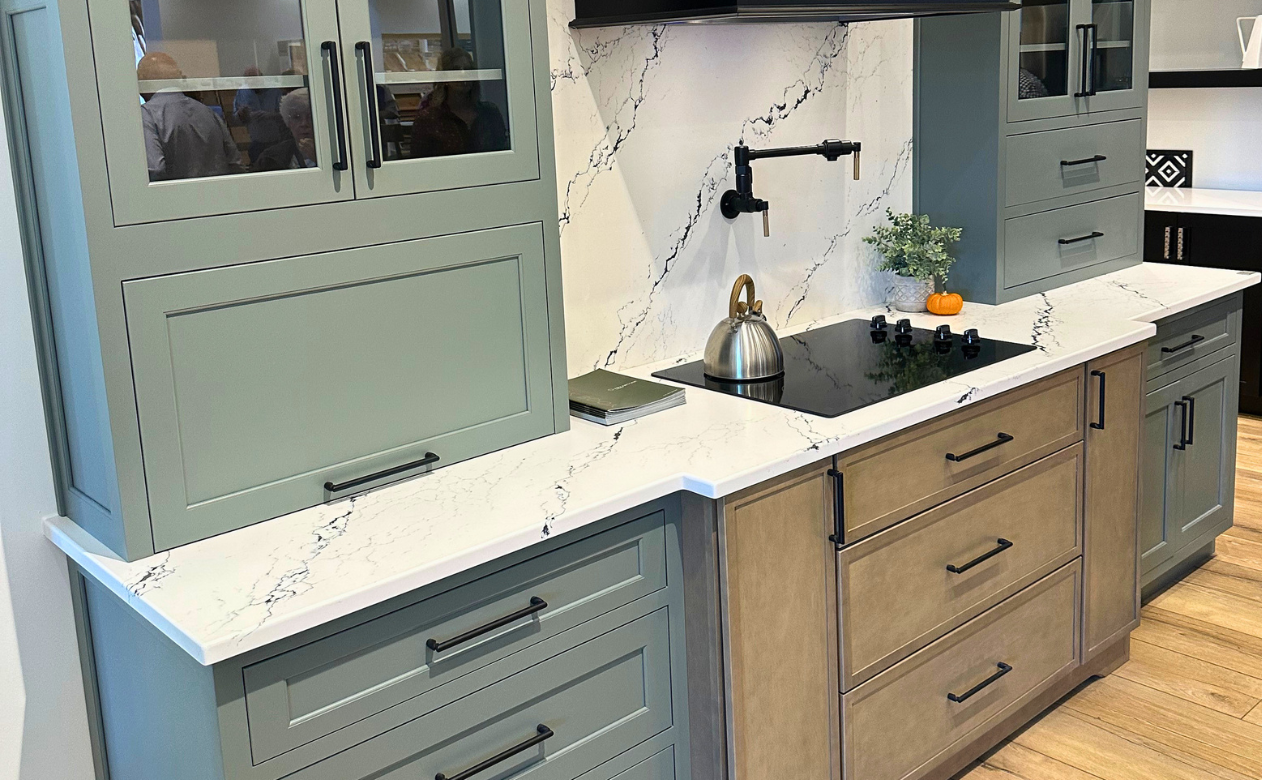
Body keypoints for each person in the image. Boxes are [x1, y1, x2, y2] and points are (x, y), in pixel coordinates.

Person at [138, 52, 244, 181]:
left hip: (175, 198)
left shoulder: (147, 115)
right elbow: (235, 161)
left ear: (144, 82)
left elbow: (155, 169)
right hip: (217, 196)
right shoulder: (208, 112)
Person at [410, 48, 508, 159]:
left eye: (467, 69)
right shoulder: (429, 119)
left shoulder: (489, 113)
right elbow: (419, 164)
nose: (463, 74)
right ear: (445, 77)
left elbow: (503, 153)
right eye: (455, 70)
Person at [252, 88, 318, 171]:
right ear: (288, 122)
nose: (304, 123)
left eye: (310, 117)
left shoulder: (336, 152)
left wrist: (318, 159)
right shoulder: (269, 158)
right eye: (296, 117)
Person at [233, 66, 286, 164]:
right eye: (249, 82)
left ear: (261, 78)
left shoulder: (275, 90)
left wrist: (269, 116)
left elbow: (286, 115)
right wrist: (241, 114)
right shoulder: (243, 91)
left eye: (255, 81)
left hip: (277, 141)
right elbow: (236, 119)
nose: (253, 85)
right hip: (255, 141)